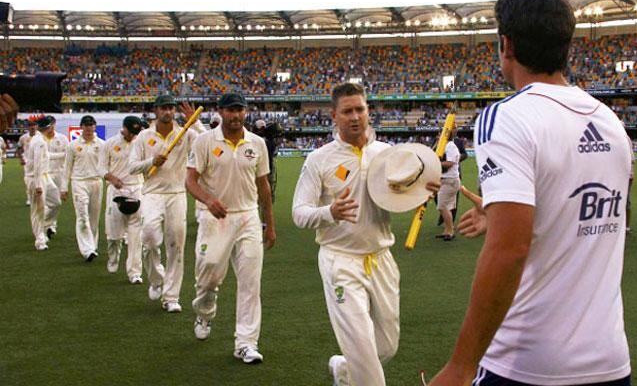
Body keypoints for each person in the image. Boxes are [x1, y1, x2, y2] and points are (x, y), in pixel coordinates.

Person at [429, 0, 632, 385]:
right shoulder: (611, 122)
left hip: (529, 363)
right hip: (610, 361)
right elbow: (580, 212)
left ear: (506, 44)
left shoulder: (506, 117)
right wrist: (500, 213)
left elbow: (510, 249)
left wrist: (461, 365)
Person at [292, 83, 439, 386]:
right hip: (341, 261)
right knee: (366, 357)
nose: (355, 116)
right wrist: (329, 213)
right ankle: (357, 370)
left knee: (386, 346)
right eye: (347, 111)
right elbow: (299, 213)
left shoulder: (386, 154)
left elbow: (402, 197)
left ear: (368, 111)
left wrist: (422, 188)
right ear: (334, 115)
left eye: (360, 109)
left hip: (381, 258)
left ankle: (344, 370)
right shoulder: (319, 160)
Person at [186, 92, 276, 364]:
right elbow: (190, 180)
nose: (235, 115)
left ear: (245, 112)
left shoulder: (257, 143)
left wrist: (269, 224)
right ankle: (205, 311)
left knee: (250, 283)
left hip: (248, 217)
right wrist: (208, 200)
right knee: (209, 275)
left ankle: (246, 343)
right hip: (215, 217)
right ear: (220, 112)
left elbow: (263, 186)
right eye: (230, 110)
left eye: (240, 110)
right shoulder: (204, 141)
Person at [129, 95, 204, 313]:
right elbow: (132, 167)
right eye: (164, 108)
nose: (168, 112)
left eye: (171, 108)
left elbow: (209, 141)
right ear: (156, 111)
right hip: (152, 193)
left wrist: (196, 122)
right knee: (150, 238)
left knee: (176, 245)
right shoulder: (144, 137)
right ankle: (156, 278)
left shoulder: (186, 133)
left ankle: (171, 296)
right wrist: (151, 161)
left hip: (177, 193)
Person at [99, 116, 145, 283]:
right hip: (116, 191)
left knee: (136, 235)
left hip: (137, 189)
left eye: (135, 133)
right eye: (130, 132)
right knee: (114, 235)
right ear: (123, 128)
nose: (132, 136)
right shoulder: (109, 144)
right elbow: (101, 168)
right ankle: (113, 258)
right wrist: (112, 178)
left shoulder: (141, 142)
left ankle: (135, 273)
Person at [62, 115, 105, 262]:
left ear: (95, 126)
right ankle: (87, 250)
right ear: (81, 127)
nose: (88, 128)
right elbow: (67, 167)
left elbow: (107, 166)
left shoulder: (101, 144)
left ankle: (92, 245)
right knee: (82, 215)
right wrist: (64, 188)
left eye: (91, 125)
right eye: (85, 125)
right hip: (79, 182)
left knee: (94, 217)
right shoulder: (73, 145)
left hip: (96, 182)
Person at [25, 116, 61, 251]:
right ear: (49, 127)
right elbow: (38, 165)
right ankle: (40, 240)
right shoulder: (39, 141)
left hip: (44, 176)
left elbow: (46, 156)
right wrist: (39, 185)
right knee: (37, 210)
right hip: (36, 178)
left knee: (56, 202)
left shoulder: (39, 139)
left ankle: (45, 225)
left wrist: (63, 154)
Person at [43, 115, 70, 238]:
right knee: (45, 201)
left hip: (59, 172)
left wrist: (49, 155)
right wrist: (56, 155)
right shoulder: (40, 139)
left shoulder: (62, 138)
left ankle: (51, 225)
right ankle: (46, 225)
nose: (49, 128)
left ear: (54, 124)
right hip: (45, 173)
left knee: (56, 201)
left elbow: (67, 154)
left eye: (51, 125)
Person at [436, 128, 461, 241]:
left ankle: (450, 231)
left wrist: (436, 162)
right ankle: (448, 230)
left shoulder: (450, 146)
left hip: (449, 180)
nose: (438, 135)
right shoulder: (447, 145)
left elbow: (450, 163)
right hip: (448, 180)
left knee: (442, 206)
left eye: (440, 133)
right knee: (447, 207)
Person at [18, 119, 39, 206]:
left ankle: (40, 198)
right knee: (28, 181)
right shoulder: (23, 138)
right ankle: (29, 199)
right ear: (28, 128)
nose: (32, 128)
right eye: (30, 126)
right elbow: (19, 148)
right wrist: (21, 159)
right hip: (28, 163)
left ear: (36, 127)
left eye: (34, 126)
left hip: (39, 161)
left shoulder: (41, 137)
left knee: (40, 180)